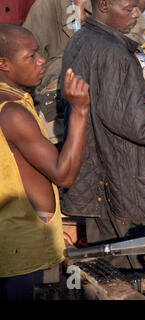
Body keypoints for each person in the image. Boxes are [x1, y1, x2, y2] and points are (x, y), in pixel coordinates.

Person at [60, 0, 145, 272]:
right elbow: (141, 127)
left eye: (139, 7)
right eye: (130, 7)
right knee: (144, 267)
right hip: (130, 189)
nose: (137, 14)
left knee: (111, 262)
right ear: (103, 5)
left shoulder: (79, 40)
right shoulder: (114, 54)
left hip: (98, 182)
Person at [0, 23, 90, 300]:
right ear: (3, 63)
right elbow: (64, 175)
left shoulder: (13, 100)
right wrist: (79, 110)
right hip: (23, 250)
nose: (42, 62)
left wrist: (52, 232)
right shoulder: (12, 112)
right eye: (31, 56)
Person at [22, 0, 145, 146]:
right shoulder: (49, 5)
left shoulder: (124, 4)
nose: (135, 13)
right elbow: (28, 58)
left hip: (113, 85)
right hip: (58, 92)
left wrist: (99, 25)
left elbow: (133, 41)